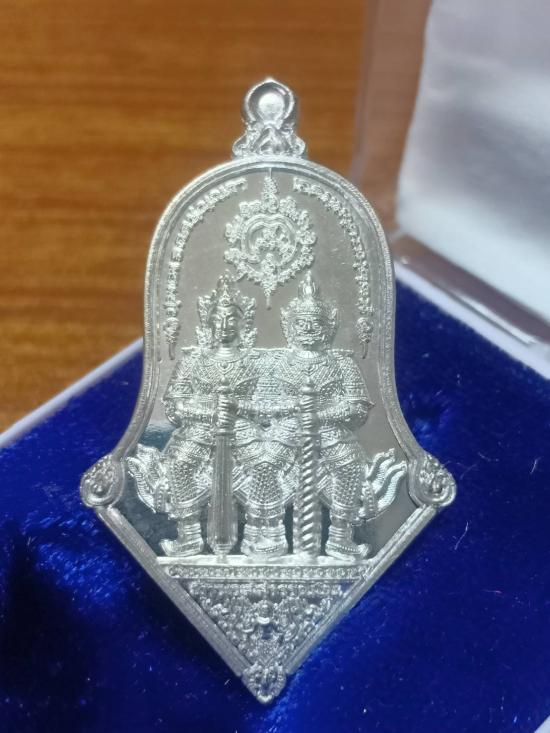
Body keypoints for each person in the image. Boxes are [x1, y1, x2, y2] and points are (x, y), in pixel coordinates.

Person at [268, 272, 372, 559]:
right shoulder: (278, 363)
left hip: (330, 429)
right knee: (264, 463)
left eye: (315, 323)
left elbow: (357, 407)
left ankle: (340, 536)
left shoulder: (342, 363)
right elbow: (263, 404)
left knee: (350, 465)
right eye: (301, 323)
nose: (308, 329)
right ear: (290, 328)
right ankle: (269, 533)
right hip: (285, 427)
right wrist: (292, 411)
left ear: (328, 329)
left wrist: (320, 415)